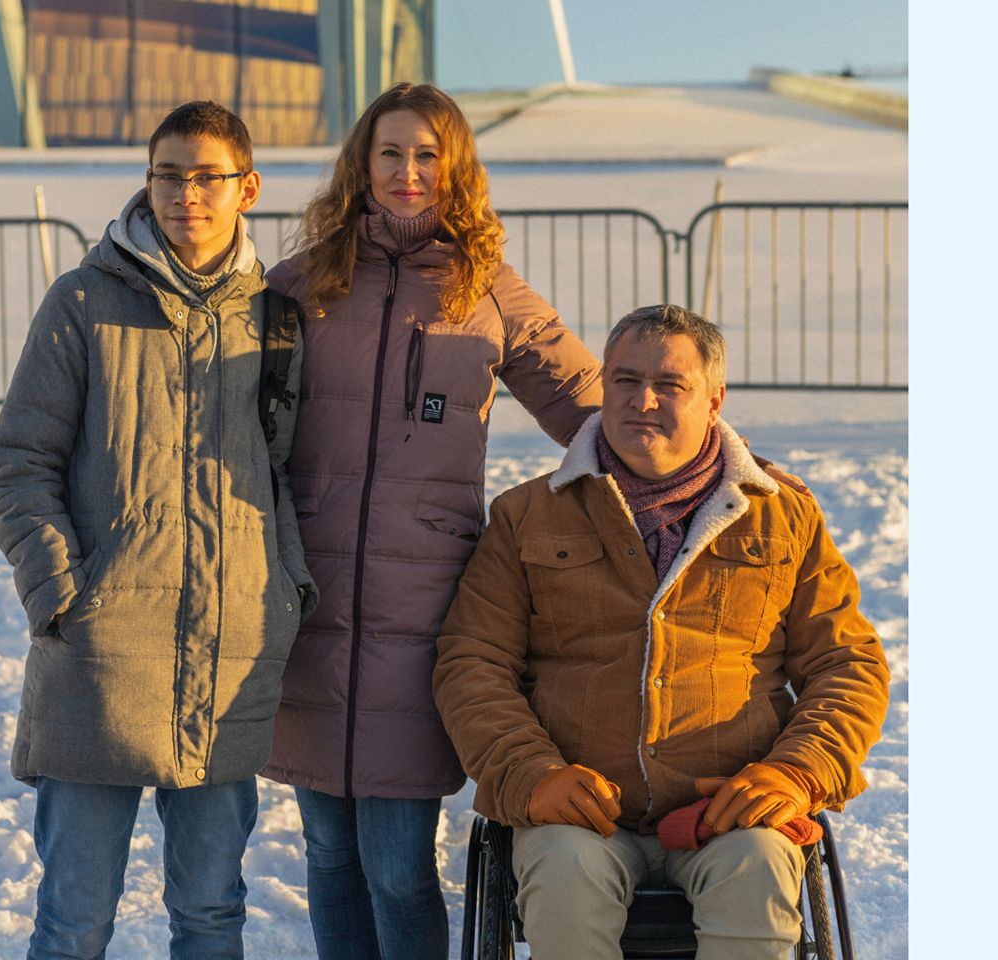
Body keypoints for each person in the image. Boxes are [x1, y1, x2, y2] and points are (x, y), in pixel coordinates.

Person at [256, 82, 604, 960]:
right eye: (390, 153)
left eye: (426, 155)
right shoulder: (298, 283)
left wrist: (720, 468)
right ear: (360, 164)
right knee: (328, 855)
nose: (407, 173)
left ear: (454, 169)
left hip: (426, 610)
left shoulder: (487, 288)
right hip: (308, 597)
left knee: (401, 863)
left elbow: (596, 408)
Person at [432, 304, 891, 960]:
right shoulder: (527, 515)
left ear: (714, 400)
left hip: (729, 812)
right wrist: (530, 774)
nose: (642, 400)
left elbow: (850, 664)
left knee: (759, 878)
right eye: (623, 380)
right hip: (575, 814)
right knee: (563, 883)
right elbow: (471, 662)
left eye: (670, 385)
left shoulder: (781, 516)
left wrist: (795, 773)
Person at [0, 101, 316, 960]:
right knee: (73, 922)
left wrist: (285, 590)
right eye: (167, 174)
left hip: (228, 652)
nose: (185, 194)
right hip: (98, 655)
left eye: (207, 176)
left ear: (247, 188)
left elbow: (285, 473)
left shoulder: (276, 319)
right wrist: (62, 593)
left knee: (211, 914)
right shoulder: (84, 301)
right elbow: (20, 461)